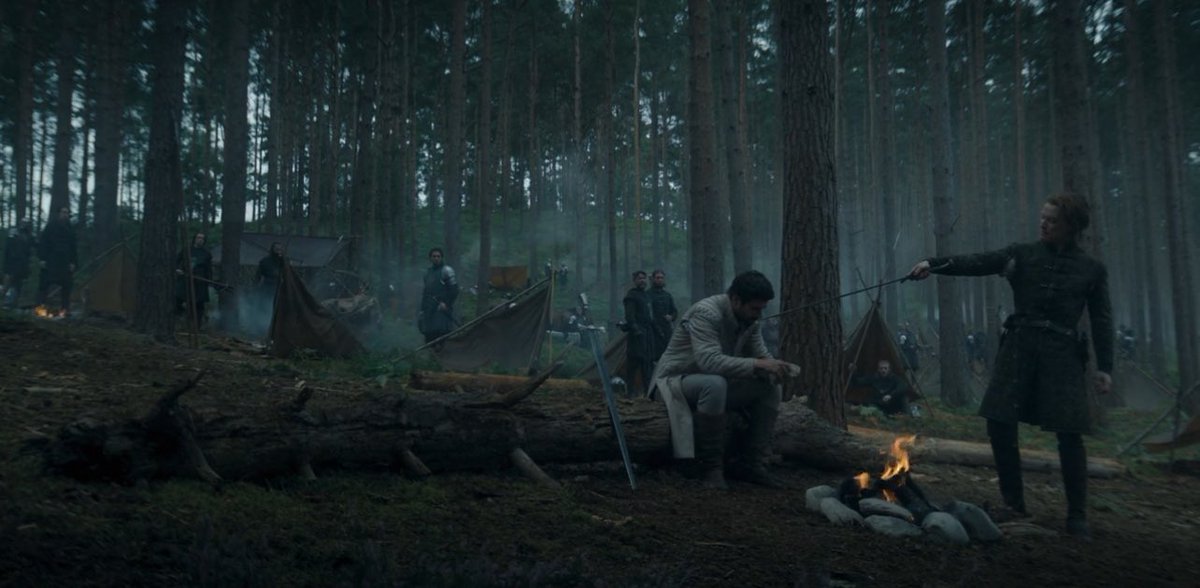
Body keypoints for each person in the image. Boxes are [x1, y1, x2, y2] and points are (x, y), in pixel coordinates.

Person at [909, 192, 1112, 540]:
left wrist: (1105, 367)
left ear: (1071, 226)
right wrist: (933, 263)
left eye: (1052, 220)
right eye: (1043, 217)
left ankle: (1077, 516)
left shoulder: (1091, 269)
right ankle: (1013, 503)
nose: (1043, 224)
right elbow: (979, 262)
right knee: (1000, 421)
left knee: (1069, 433)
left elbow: (1102, 318)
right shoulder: (1023, 253)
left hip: (1062, 355)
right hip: (1019, 348)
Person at [649, 270, 800, 490]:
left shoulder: (750, 320)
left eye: (761, 309)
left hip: (713, 384)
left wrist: (777, 368)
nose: (758, 314)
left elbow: (761, 355)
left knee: (770, 386)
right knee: (714, 384)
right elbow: (708, 361)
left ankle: (753, 463)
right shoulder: (706, 313)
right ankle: (710, 467)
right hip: (674, 382)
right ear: (736, 300)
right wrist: (758, 365)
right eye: (755, 308)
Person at [37, 206, 77, 312]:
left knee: (67, 285)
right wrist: (42, 259)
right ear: (59, 213)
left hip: (65, 262)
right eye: (63, 212)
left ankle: (65, 309)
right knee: (44, 284)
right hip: (51, 260)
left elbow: (73, 247)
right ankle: (40, 307)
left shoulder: (70, 229)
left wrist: (73, 262)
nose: (65, 214)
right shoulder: (51, 226)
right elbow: (43, 242)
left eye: (67, 213)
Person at [622, 270, 656, 396]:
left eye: (644, 278)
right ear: (635, 280)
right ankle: (630, 393)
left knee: (647, 365)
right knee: (633, 363)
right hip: (636, 336)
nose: (642, 280)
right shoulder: (631, 296)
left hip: (647, 334)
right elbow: (629, 316)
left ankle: (648, 393)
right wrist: (636, 330)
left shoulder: (646, 296)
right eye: (639, 278)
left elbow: (650, 316)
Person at [418, 247, 458, 344]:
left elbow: (454, 290)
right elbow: (426, 292)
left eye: (438, 256)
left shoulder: (446, 270)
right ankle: (431, 351)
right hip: (429, 307)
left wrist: (446, 303)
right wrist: (422, 309)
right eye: (434, 256)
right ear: (430, 258)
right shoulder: (428, 273)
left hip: (441, 306)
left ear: (441, 257)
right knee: (428, 333)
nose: (436, 258)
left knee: (441, 331)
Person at [175, 232, 214, 326]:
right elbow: (176, 260)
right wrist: (177, 269)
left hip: (200, 282)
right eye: (198, 237)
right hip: (185, 279)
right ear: (195, 239)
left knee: (198, 305)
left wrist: (209, 281)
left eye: (202, 238)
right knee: (176, 299)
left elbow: (208, 269)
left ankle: (196, 325)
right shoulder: (187, 250)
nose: (200, 240)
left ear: (204, 241)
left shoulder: (206, 254)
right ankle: (180, 318)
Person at [647, 269, 678, 362]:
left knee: (667, 356)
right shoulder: (647, 295)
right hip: (652, 332)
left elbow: (674, 311)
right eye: (657, 278)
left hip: (666, 330)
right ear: (653, 279)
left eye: (661, 278)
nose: (660, 280)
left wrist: (671, 317)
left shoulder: (667, 295)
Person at [3, 220, 35, 308]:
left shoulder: (29, 236)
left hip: (22, 265)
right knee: (10, 283)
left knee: (17, 284)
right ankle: (7, 302)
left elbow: (32, 248)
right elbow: (8, 250)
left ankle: (13, 302)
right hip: (13, 264)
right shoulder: (14, 235)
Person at [256, 242, 286, 306]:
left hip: (280, 288)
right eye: (276, 249)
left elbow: (287, 275)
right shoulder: (265, 261)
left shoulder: (284, 262)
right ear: (273, 249)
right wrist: (258, 286)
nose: (278, 251)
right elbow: (258, 276)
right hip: (267, 288)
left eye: (280, 249)